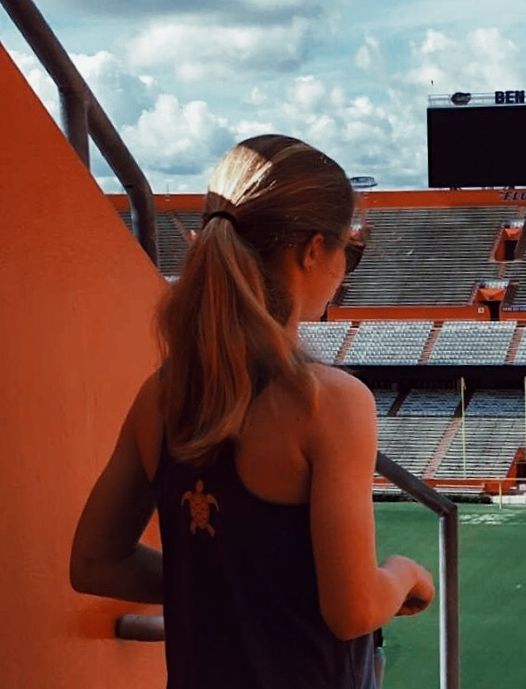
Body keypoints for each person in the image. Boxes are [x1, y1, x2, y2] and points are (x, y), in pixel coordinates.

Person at [69, 134, 434, 689]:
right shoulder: (328, 401)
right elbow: (353, 609)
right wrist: (405, 573)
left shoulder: (162, 395)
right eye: (348, 253)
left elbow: (95, 562)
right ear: (313, 250)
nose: (343, 269)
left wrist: (219, 581)